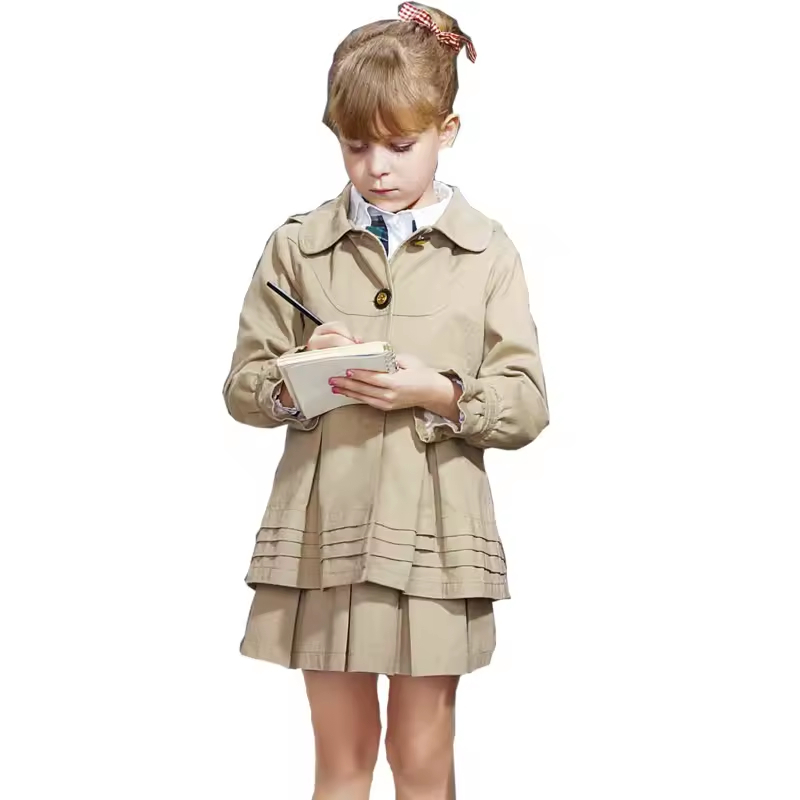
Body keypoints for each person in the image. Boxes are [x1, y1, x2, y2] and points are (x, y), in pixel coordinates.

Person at [222, 3, 549, 798]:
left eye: (400, 145)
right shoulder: (296, 246)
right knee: (342, 760)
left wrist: (439, 391)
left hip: (435, 533)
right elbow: (242, 388)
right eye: (355, 144)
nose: (376, 167)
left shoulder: (488, 252)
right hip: (324, 528)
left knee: (421, 758)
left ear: (448, 129)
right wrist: (300, 375)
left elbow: (527, 401)